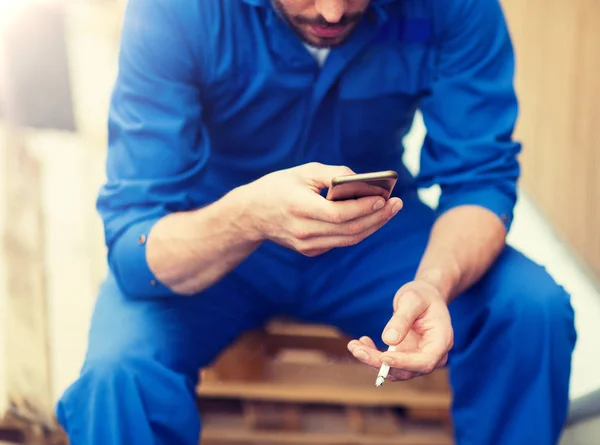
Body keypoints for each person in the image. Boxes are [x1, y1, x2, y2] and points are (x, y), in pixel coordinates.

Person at [56, 0, 577, 443]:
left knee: (531, 310)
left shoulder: (453, 7)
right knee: (115, 376)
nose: (332, 12)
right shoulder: (177, 11)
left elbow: (480, 179)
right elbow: (135, 240)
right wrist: (248, 216)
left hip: (373, 236)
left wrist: (433, 284)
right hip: (219, 234)